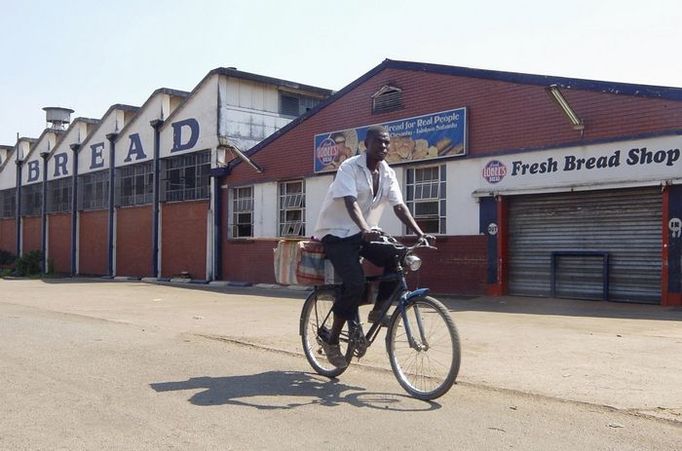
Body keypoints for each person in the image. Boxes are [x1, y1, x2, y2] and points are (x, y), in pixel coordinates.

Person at [313, 125, 433, 368]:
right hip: (336, 233)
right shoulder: (349, 167)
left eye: (387, 143)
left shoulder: (387, 172)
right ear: (365, 144)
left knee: (398, 255)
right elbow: (350, 202)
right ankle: (333, 340)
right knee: (355, 283)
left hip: (363, 232)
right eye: (380, 142)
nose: (385, 147)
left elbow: (399, 206)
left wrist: (420, 233)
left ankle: (378, 311)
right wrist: (364, 227)